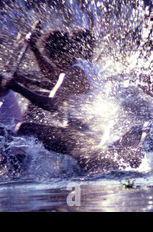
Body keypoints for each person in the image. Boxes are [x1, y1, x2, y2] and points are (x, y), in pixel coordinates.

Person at [1, 29, 144, 172]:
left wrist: (17, 87)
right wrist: (33, 52)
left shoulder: (74, 73)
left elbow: (52, 104)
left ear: (58, 56)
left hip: (82, 136)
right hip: (86, 132)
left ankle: (15, 172)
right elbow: (53, 77)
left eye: (51, 58)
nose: (52, 63)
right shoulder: (86, 65)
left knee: (23, 128)